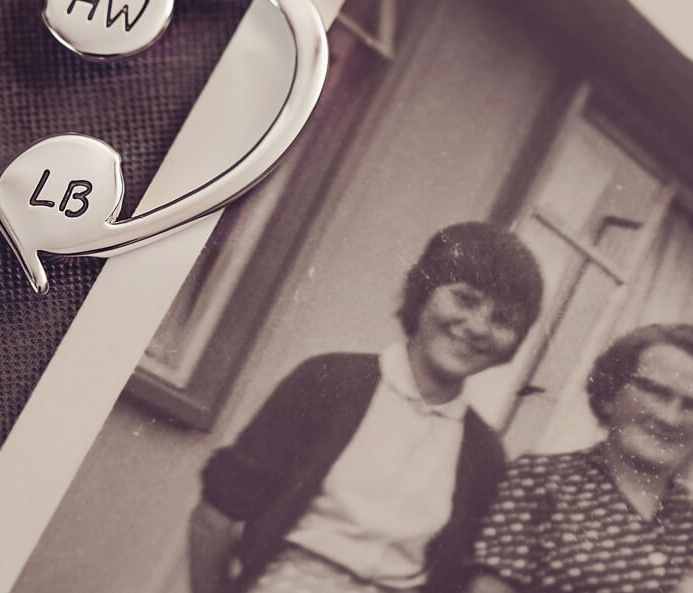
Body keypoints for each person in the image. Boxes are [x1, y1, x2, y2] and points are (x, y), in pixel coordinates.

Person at [189, 220, 545, 593]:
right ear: (424, 291)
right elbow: (215, 516)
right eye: (465, 299)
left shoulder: (484, 454)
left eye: (502, 319)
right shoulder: (325, 383)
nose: (477, 326)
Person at [468, 323, 693, 593]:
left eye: (691, 405)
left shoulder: (686, 514)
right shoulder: (540, 480)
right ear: (611, 394)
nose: (670, 418)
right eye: (655, 392)